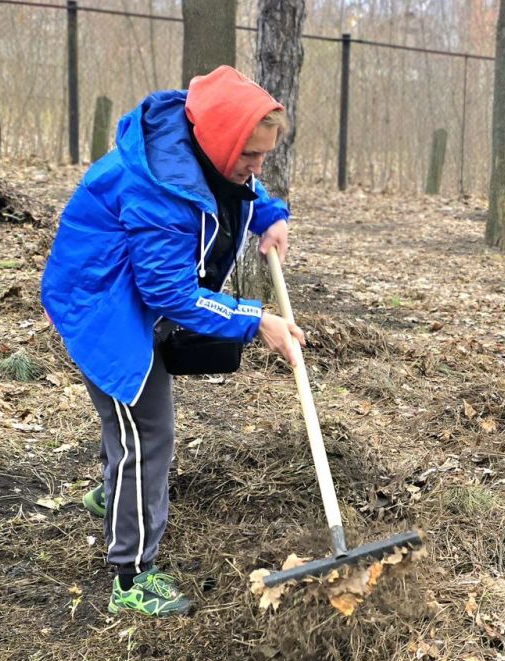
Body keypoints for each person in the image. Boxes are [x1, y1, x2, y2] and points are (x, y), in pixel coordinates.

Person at [41, 66, 306, 617]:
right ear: (219, 141)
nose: (257, 168)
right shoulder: (157, 187)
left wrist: (270, 217)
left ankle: (114, 498)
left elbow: (238, 190)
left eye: (264, 157)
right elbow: (170, 292)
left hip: (126, 296)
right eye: (250, 156)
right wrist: (257, 321)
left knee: (135, 426)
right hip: (102, 309)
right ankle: (132, 577)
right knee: (148, 428)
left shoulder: (204, 155)